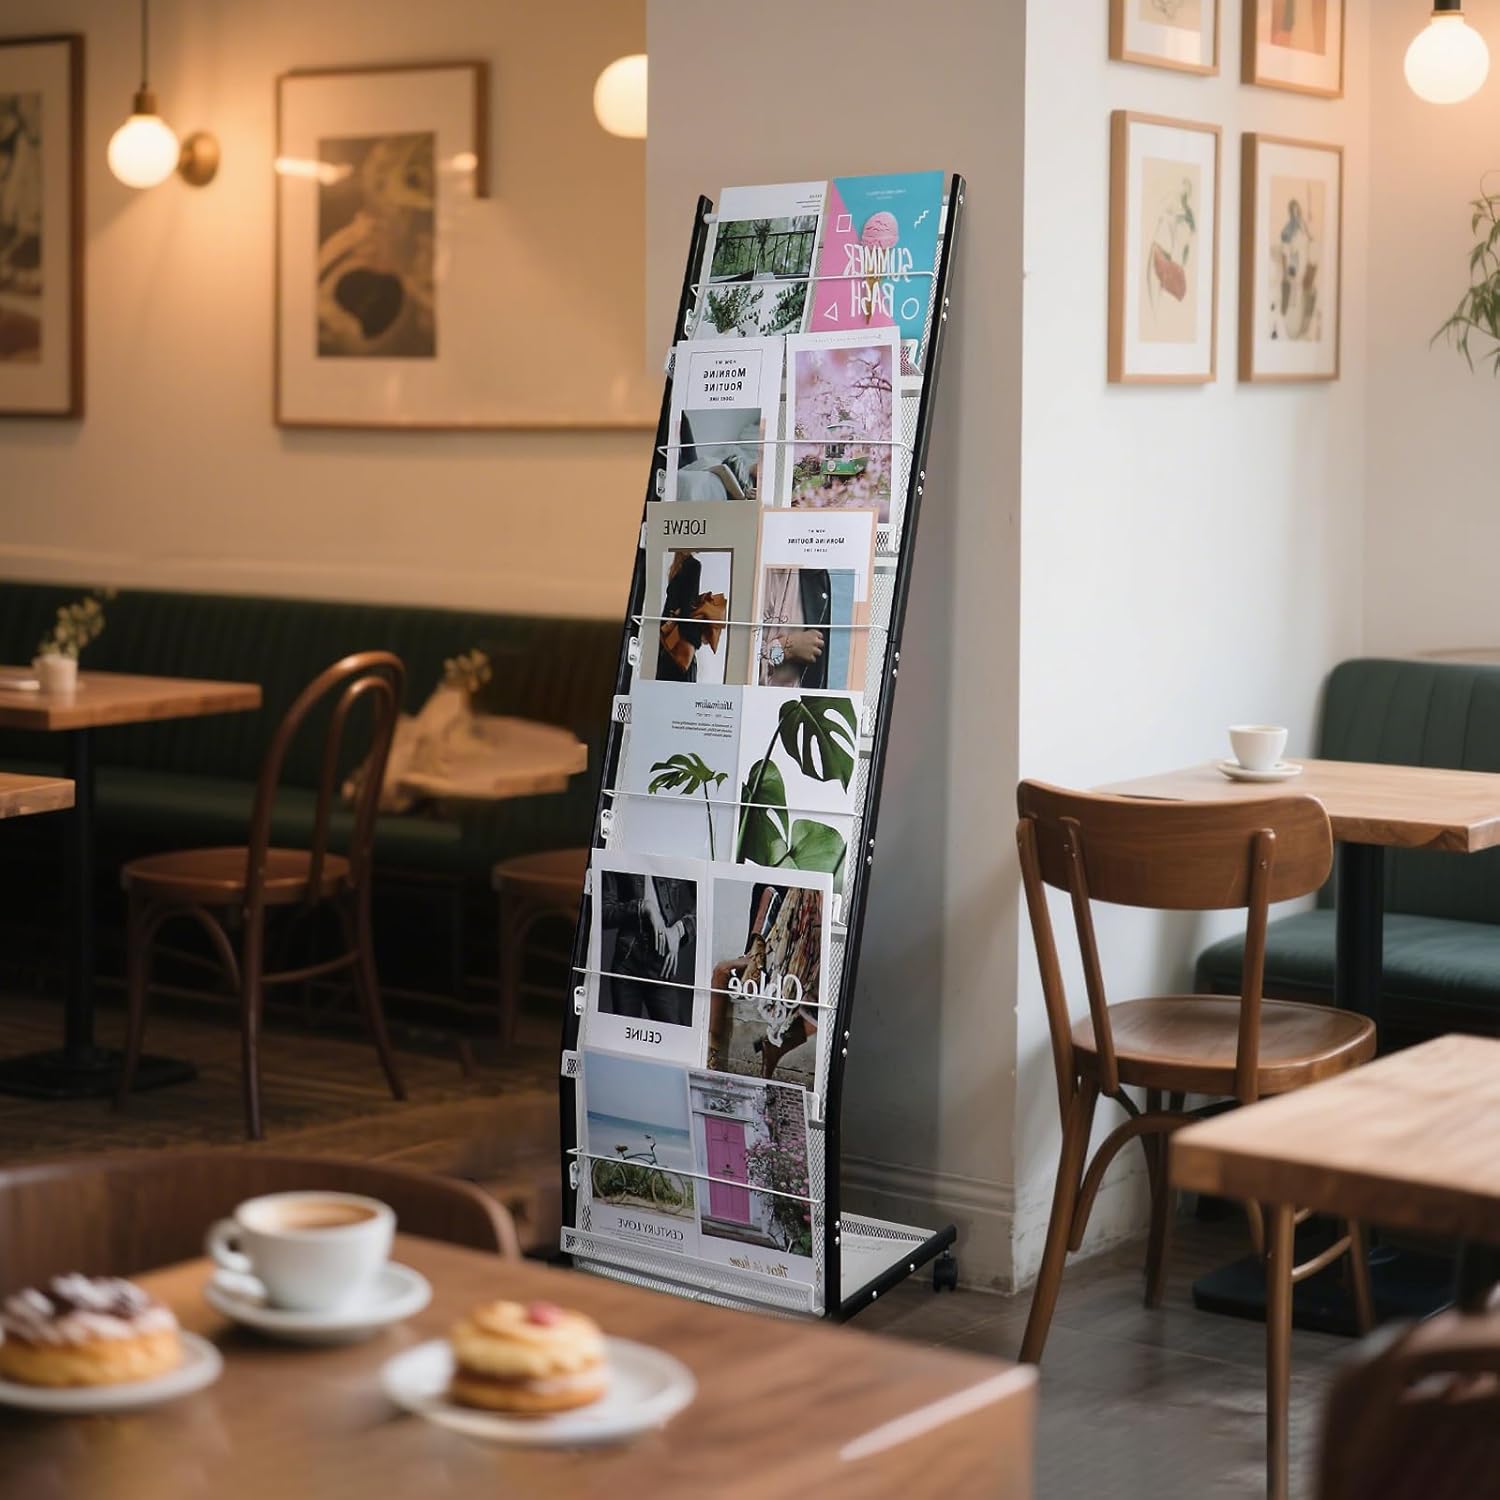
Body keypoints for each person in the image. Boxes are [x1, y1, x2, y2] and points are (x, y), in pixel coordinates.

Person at [600, 871, 696, 1027]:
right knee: (624, 1039)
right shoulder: (619, 849)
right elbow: (603, 912)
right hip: (627, 960)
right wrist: (643, 906)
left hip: (662, 963)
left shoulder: (679, 851)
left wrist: (680, 929)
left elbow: (707, 901)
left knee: (674, 1039)